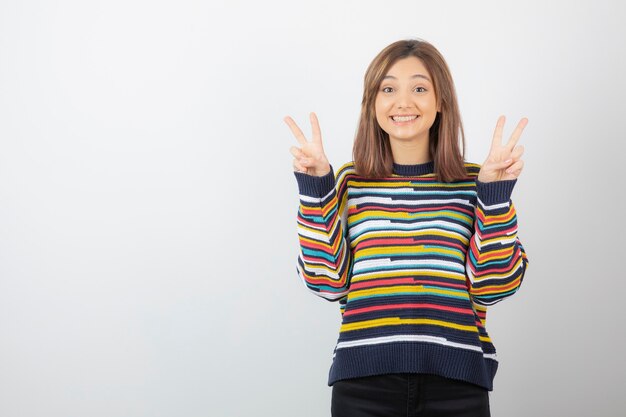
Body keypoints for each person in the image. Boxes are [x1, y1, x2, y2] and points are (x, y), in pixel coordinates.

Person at [285, 39, 528, 417]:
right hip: (363, 385)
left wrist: (495, 194)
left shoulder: (475, 181)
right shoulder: (351, 182)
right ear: (373, 103)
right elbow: (327, 283)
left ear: (440, 100)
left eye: (419, 88)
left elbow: (494, 288)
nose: (403, 102)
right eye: (388, 89)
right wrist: (316, 187)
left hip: (457, 386)